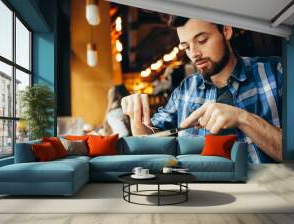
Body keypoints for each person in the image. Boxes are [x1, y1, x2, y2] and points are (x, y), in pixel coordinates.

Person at [121, 16, 282, 163]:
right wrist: (137, 119)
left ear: (226, 30)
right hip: (201, 191)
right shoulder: (184, 90)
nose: (194, 54)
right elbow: (149, 141)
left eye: (202, 40)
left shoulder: (275, 72)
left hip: (265, 191)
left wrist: (241, 118)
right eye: (186, 47)